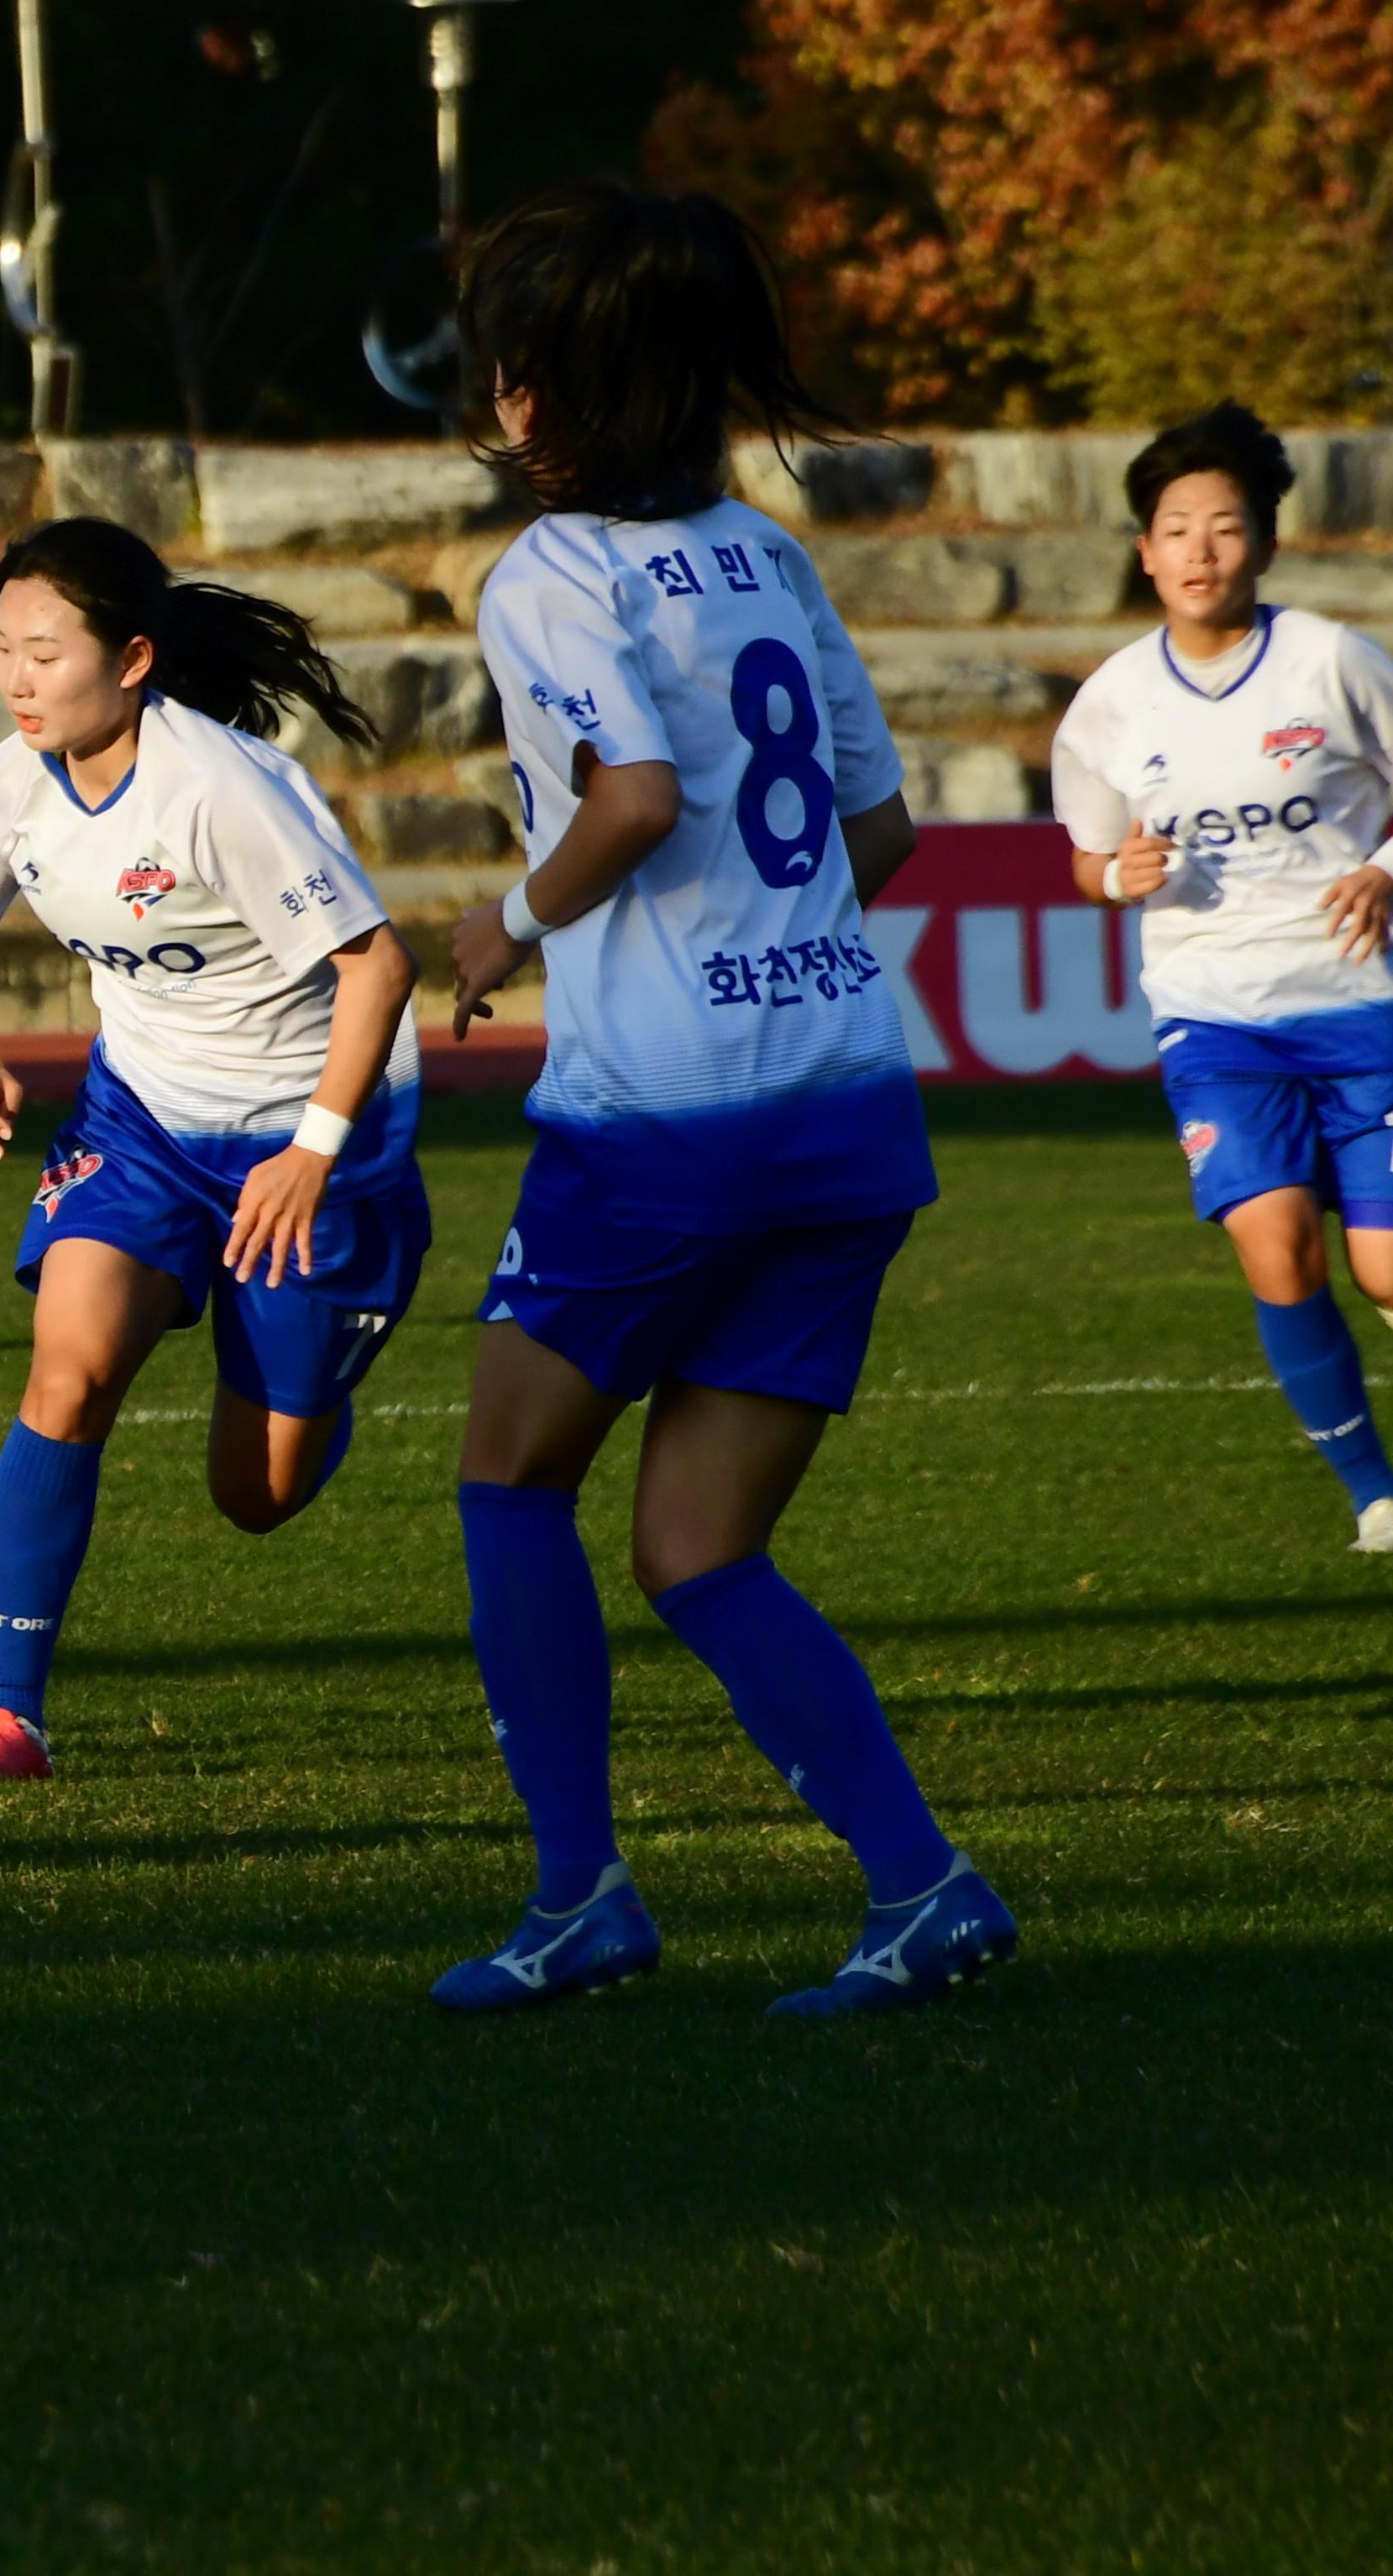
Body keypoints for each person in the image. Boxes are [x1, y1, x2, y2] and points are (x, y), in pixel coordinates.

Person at [434, 181, 1013, 2018]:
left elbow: (633, 799)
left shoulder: (551, 572)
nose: (500, 396)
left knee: (509, 1474)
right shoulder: (765, 550)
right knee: (697, 1547)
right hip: (847, 1105)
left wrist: (501, 925)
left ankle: (578, 1895)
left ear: (550, 391)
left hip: (668, 1117)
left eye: (512, 366)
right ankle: (923, 1886)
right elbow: (883, 829)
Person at [0, 520, 429, 1783]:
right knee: (71, 1367)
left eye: (45, 653)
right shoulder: (12, 783)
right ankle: (9, 1720)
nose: (18, 680)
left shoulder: (223, 791)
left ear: (134, 658)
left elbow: (381, 968)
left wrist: (312, 1151)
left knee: (255, 1495)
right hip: (139, 1124)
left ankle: (323, 1360)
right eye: (2, 651)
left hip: (311, 1144)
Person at [1050, 403, 1393, 1556]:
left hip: (1365, 1005)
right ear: (1144, 551)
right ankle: (1373, 1499)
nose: (1201, 550)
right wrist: (1114, 876)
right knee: (1277, 1245)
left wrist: (1386, 869)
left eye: (1226, 527)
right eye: (1177, 528)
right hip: (1215, 1019)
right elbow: (1090, 857)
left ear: (1267, 544)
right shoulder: (1110, 705)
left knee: (1386, 1269)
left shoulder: (1333, 662)